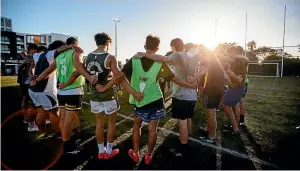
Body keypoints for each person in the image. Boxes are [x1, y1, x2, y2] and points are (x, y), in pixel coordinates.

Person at [126, 35, 197, 164]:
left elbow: (120, 76)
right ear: (157, 48)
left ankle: (135, 153)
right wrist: (191, 85)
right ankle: (148, 156)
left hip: (139, 100)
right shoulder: (159, 62)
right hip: (156, 100)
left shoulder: (134, 59)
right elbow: (175, 79)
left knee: (137, 127)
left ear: (144, 46)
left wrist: (132, 92)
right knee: (153, 129)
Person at [73, 32, 138, 159]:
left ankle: (100, 151)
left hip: (94, 95)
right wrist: (132, 92)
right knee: (111, 124)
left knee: (99, 123)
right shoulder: (110, 57)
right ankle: (108, 151)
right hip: (108, 94)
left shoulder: (88, 57)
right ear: (108, 42)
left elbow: (80, 70)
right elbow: (120, 77)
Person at [33, 37, 84, 154]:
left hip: (61, 92)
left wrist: (36, 80)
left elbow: (47, 71)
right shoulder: (76, 53)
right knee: (69, 121)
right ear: (75, 44)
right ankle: (69, 147)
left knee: (63, 118)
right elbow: (78, 70)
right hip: (73, 90)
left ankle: (66, 138)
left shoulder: (59, 56)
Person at [222, 46, 249, 135]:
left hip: (236, 87)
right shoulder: (241, 59)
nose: (228, 55)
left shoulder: (237, 60)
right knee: (234, 105)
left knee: (227, 105)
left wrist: (227, 71)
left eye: (229, 53)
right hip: (237, 87)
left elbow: (237, 76)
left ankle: (235, 127)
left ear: (233, 52)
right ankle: (234, 125)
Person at [18, 43, 38, 129]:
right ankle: (30, 121)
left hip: (23, 81)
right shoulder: (30, 57)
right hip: (28, 81)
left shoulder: (22, 55)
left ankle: (26, 118)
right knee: (31, 102)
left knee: (25, 100)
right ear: (32, 49)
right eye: (35, 50)